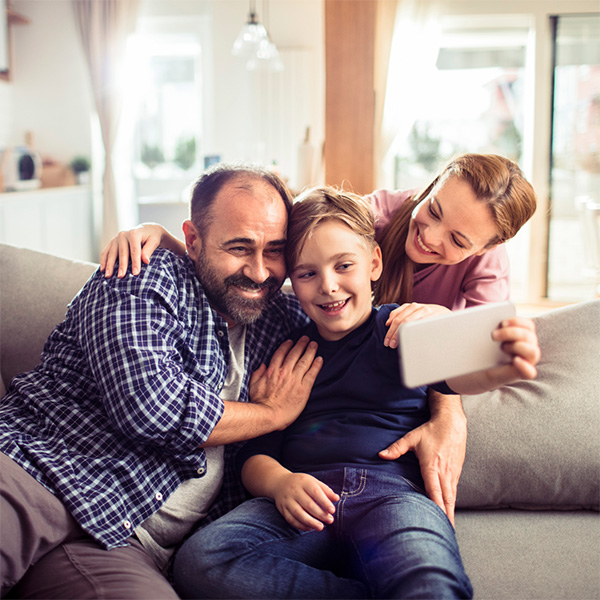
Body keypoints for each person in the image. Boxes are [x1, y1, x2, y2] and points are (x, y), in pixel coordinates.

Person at [100, 152, 537, 521]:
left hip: (393, 437)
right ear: (431, 186)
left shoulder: (484, 269)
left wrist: (453, 408)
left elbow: (468, 357)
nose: (430, 235)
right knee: (206, 559)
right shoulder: (368, 218)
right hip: (305, 458)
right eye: (434, 210)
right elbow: (265, 256)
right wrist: (173, 244)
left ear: (484, 248)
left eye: (458, 240)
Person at [171, 186, 541, 599]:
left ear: (374, 264)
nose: (328, 286)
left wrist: (498, 364)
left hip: (392, 498)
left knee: (428, 578)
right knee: (201, 561)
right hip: (303, 499)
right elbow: (255, 453)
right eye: (308, 273)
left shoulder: (397, 329)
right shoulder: (285, 350)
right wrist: (280, 484)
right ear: (292, 279)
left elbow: (458, 378)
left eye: (343, 265)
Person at [0, 164, 323, 599]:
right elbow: (152, 409)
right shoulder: (144, 275)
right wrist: (272, 414)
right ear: (193, 240)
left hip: (123, 541)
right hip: (41, 471)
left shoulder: (284, 322)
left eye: (275, 250)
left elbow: (359, 311)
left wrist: (442, 406)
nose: (260, 272)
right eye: (239, 247)